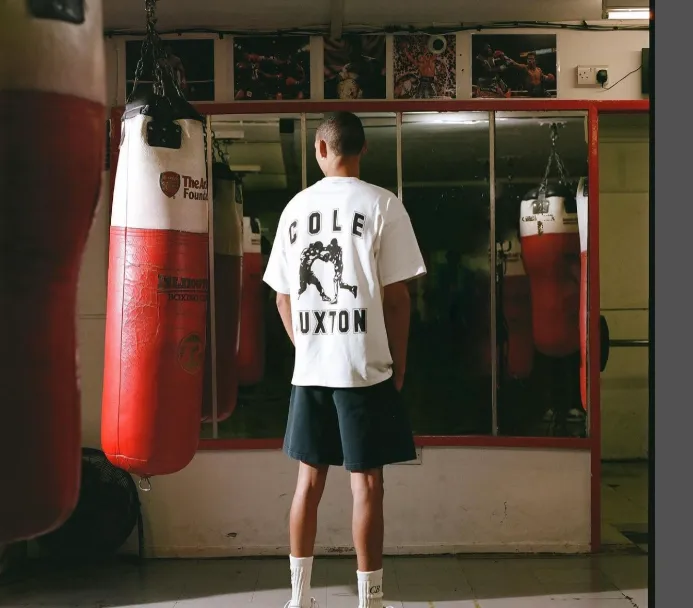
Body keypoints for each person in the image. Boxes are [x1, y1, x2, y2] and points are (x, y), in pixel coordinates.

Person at [263, 112, 426, 608]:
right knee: (368, 484)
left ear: (319, 149)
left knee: (307, 484)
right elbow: (398, 299)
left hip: (313, 369)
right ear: (364, 150)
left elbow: (282, 299)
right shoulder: (382, 204)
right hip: (364, 365)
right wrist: (397, 365)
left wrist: (308, 346)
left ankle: (298, 599)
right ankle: (371, 601)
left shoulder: (295, 208)